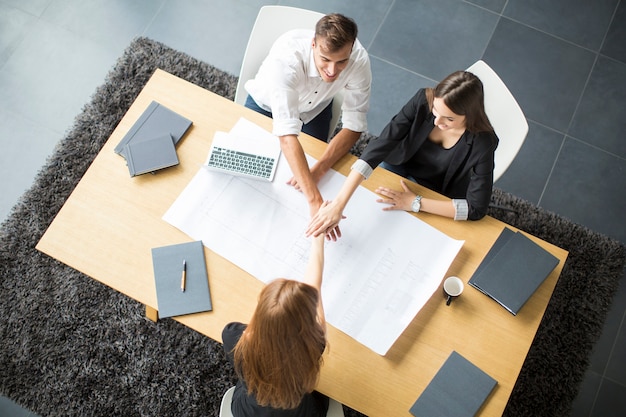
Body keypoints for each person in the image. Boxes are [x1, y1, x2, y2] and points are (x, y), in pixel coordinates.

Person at [306, 70, 498, 239]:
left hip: (434, 189)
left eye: (449, 119)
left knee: (401, 234)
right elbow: (382, 144)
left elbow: (476, 208)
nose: (437, 121)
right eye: (436, 111)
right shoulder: (424, 100)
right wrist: (339, 204)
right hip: (399, 163)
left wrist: (415, 203)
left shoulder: (483, 143)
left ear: (469, 116)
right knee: (370, 205)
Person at [244, 13, 372, 239]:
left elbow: (354, 125)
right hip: (266, 105)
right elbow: (287, 136)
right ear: (313, 44)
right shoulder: (287, 58)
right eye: (325, 59)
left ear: (351, 49)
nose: (332, 71)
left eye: (341, 61)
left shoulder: (359, 60)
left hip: (315, 110)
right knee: (248, 171)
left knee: (307, 173)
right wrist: (315, 201)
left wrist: (319, 170)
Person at [222, 233, 328, 417]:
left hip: (247, 412)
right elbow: (315, 289)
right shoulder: (313, 346)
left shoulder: (233, 336)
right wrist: (318, 238)